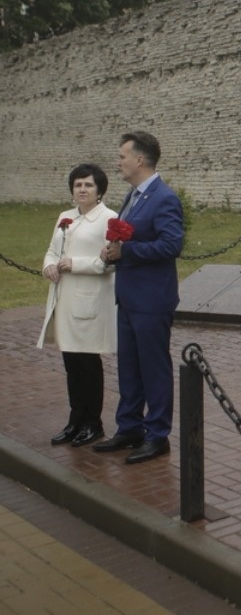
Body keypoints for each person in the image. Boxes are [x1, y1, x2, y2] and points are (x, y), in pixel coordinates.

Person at [94, 131, 184, 464]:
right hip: (129, 296)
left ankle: (157, 434)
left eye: (122, 156)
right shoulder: (133, 196)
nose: (118, 162)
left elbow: (172, 245)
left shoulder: (164, 198)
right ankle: (129, 426)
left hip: (151, 299)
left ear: (139, 160)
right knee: (129, 367)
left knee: (154, 368)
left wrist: (126, 251)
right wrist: (113, 251)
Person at [38, 163, 117, 446]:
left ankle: (93, 423)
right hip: (63, 301)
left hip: (90, 303)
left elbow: (110, 264)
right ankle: (75, 421)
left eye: (88, 185)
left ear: (99, 190)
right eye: (78, 185)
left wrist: (76, 264)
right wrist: (49, 265)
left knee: (88, 364)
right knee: (71, 364)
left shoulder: (109, 219)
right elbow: (52, 251)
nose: (82, 189)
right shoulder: (65, 217)